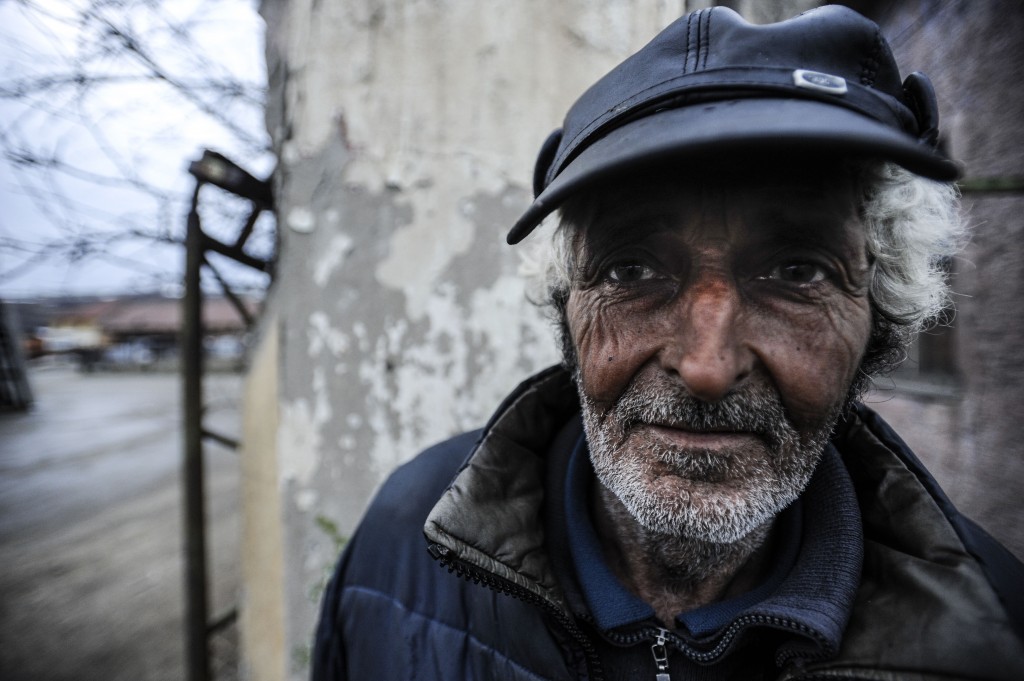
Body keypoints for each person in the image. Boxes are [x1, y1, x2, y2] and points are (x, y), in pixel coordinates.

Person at [312, 6, 1024, 680]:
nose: (707, 366)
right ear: (568, 307)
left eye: (796, 271)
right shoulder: (399, 546)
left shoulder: (993, 634)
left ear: (881, 315)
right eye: (632, 270)